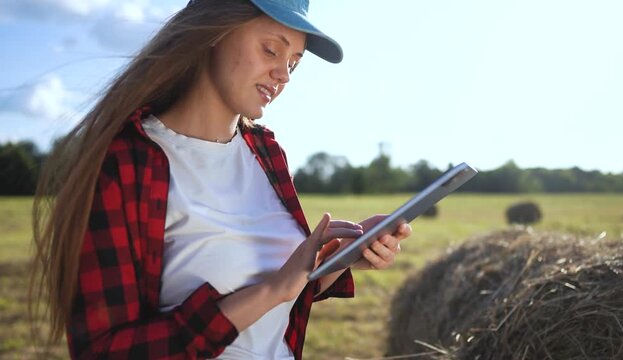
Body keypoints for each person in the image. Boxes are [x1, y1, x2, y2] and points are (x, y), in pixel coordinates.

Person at [30, 0, 412, 358]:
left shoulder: (267, 154)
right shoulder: (128, 161)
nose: (284, 75)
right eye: (271, 50)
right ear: (214, 32)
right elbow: (104, 350)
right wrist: (270, 291)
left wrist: (339, 258)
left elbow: (280, 302)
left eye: (294, 63)